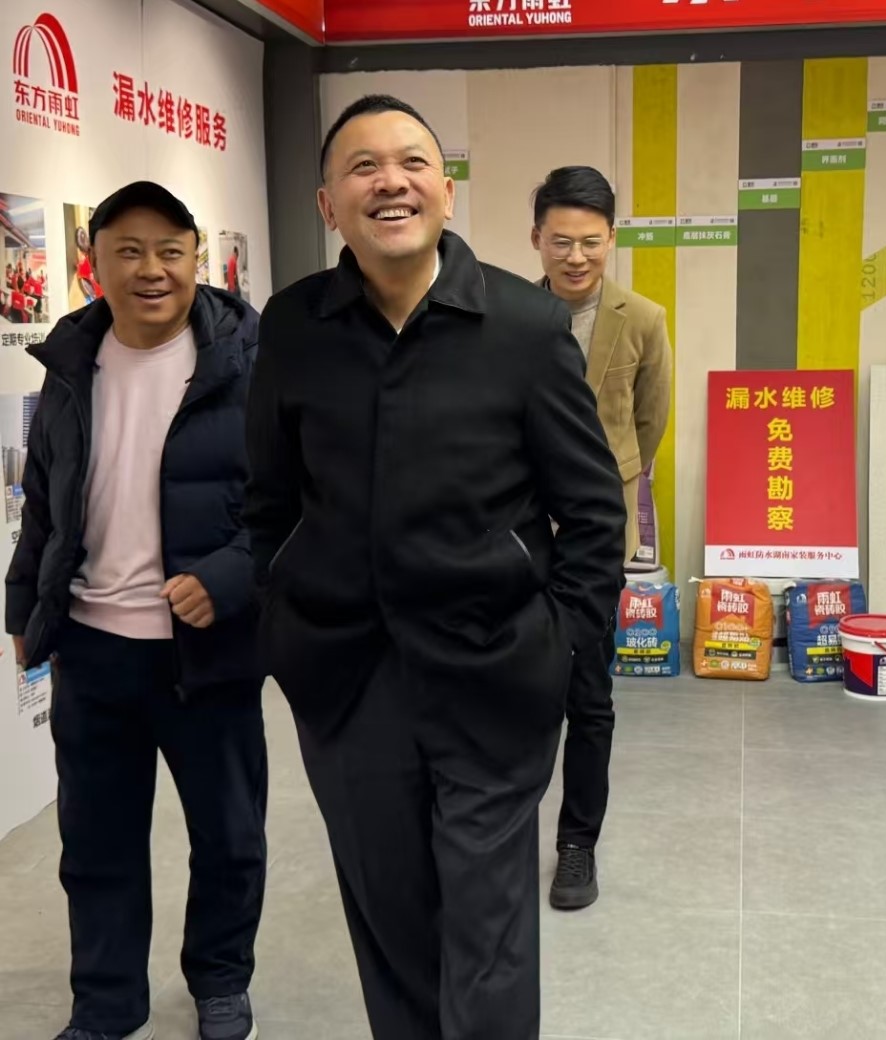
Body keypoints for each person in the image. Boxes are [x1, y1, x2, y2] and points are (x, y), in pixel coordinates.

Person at [245, 95, 627, 1040]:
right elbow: (267, 501)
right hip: (349, 682)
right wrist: (287, 628)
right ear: (328, 203)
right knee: (393, 927)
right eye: (363, 166)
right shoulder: (294, 325)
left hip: (493, 673)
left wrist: (559, 648)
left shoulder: (523, 325)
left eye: (412, 162)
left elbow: (591, 512)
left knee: (488, 937)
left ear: (446, 192)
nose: (391, 182)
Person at [5, 181, 267, 1040]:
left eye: (170, 251)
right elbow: (44, 500)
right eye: (129, 251)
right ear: (96, 264)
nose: (152, 269)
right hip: (93, 648)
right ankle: (106, 1002)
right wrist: (23, 606)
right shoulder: (71, 363)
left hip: (209, 650)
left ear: (196, 258)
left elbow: (304, 504)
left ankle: (220, 979)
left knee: (228, 835)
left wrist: (228, 578)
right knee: (96, 843)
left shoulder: (250, 362)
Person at [531, 165, 672, 910]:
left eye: (590, 241)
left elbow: (649, 422)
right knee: (515, 690)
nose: (576, 256)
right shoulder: (508, 315)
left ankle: (576, 843)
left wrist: (602, 487)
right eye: (561, 241)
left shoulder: (642, 318)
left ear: (610, 238)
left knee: (589, 693)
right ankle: (502, 829)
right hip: (518, 532)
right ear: (537, 239)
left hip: (594, 539)